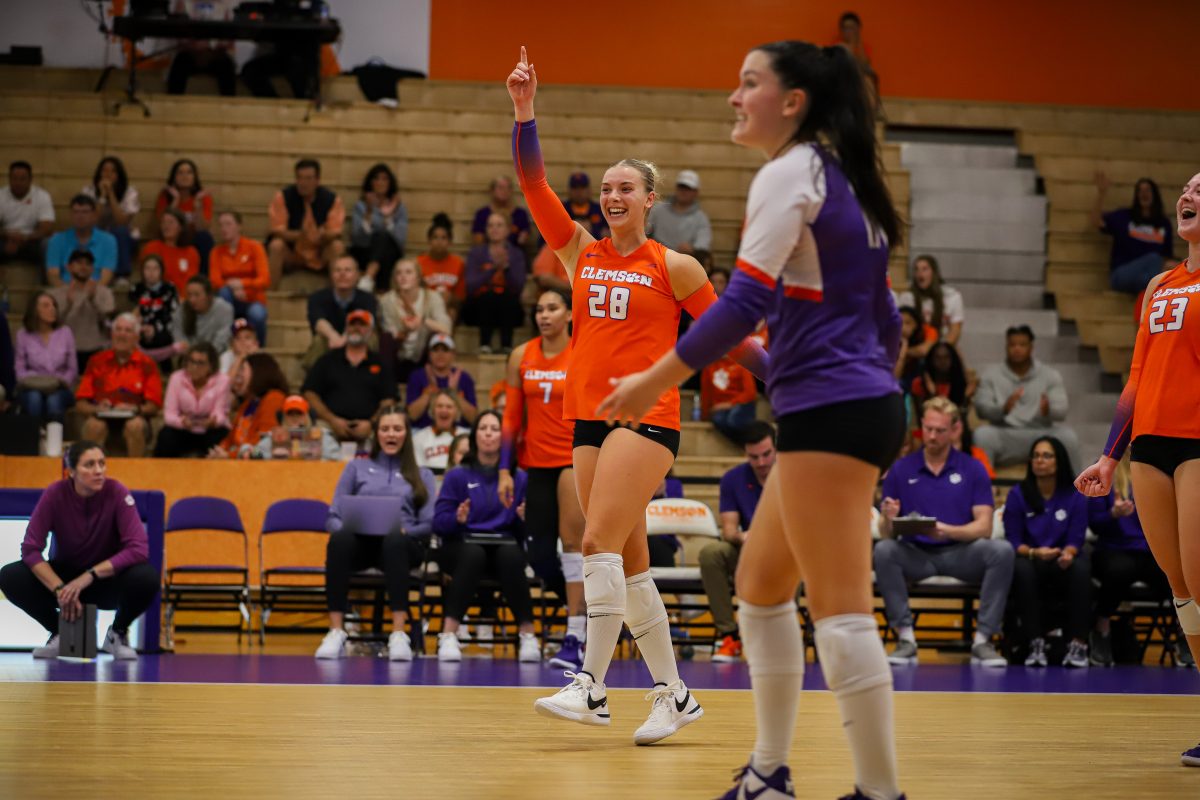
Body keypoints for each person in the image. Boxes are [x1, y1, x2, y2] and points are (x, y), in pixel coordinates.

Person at [594, 40, 905, 795]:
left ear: (791, 101)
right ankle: (769, 771)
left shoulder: (790, 174)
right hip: (845, 403)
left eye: (749, 83)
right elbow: (888, 315)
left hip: (832, 409)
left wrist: (655, 378)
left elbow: (742, 303)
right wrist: (874, 384)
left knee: (841, 613)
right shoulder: (847, 178)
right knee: (761, 590)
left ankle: (880, 790)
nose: (734, 96)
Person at [507, 48, 766, 748]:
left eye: (628, 188)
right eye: (608, 189)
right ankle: (672, 693)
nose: (614, 196)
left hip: (647, 420)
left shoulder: (674, 265)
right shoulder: (580, 252)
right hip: (586, 420)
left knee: (592, 540)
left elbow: (730, 334)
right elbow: (533, 187)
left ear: (651, 200)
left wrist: (783, 376)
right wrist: (525, 113)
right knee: (627, 561)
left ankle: (591, 686)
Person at [1076, 170, 1200, 767]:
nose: (1189, 195)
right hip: (1148, 449)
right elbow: (1137, 377)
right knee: (1181, 591)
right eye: (1189, 187)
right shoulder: (1156, 285)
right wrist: (1108, 454)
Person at [875, 399, 1010, 668]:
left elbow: (984, 526)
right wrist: (889, 519)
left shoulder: (973, 468)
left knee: (1001, 551)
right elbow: (886, 534)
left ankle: (983, 640)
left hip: (961, 552)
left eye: (940, 430)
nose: (933, 436)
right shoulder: (901, 468)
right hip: (916, 553)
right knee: (883, 551)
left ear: (954, 430)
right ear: (921, 428)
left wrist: (946, 531)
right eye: (928, 429)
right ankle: (905, 638)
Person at [0, 441, 159, 659]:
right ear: (71, 471)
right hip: (64, 579)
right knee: (10, 575)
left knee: (146, 576)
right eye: (89, 465)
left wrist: (89, 576)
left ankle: (117, 633)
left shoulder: (117, 491)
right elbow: (30, 549)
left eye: (102, 463)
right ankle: (59, 632)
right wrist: (60, 589)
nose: (99, 470)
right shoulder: (55, 494)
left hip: (103, 580)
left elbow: (138, 549)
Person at [498, 286, 587, 671]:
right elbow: (510, 419)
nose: (544, 315)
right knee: (537, 553)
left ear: (569, 314)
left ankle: (576, 635)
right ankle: (591, 611)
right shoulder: (522, 355)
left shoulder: (582, 350)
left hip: (572, 459)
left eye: (553, 308)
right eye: (539, 309)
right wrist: (504, 467)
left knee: (572, 544)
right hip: (535, 463)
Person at [316, 406, 438, 661]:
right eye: (385, 429)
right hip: (362, 546)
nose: (390, 434)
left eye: (397, 428)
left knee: (395, 540)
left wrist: (408, 530)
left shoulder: (422, 474)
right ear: (376, 434)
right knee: (338, 541)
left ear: (406, 434)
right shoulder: (356, 469)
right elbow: (332, 517)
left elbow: (429, 523)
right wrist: (347, 528)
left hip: (402, 548)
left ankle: (398, 634)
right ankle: (336, 630)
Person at [432, 410, 539, 663]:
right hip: (461, 545)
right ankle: (449, 633)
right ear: (474, 435)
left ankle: (528, 635)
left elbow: (527, 533)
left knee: (512, 554)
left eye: (494, 429)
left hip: (503, 547)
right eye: (483, 428)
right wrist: (457, 519)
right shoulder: (458, 474)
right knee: (473, 553)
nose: (489, 434)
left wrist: (525, 519)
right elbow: (438, 523)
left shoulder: (519, 477)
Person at [1086, 454, 1192, 668]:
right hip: (1114, 549)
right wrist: (1113, 514)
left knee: (1176, 573)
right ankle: (1101, 628)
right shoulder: (1105, 475)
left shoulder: (1159, 474)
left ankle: (1186, 632)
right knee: (1119, 570)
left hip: (1150, 550)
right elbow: (1094, 524)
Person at [1003, 436, 1091, 668]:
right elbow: (1012, 539)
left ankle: (1078, 644)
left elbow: (1077, 536)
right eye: (1036, 455)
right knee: (1021, 570)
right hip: (1031, 556)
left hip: (1063, 557)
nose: (1039, 460)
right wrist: (1034, 552)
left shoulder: (1074, 493)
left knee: (1082, 569)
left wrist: (1069, 553)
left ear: (1059, 461)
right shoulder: (1018, 494)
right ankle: (1035, 642)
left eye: (1046, 455)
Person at [699, 421, 776, 663]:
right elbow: (729, 529)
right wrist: (744, 536)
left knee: (790, 558)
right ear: (745, 453)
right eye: (754, 457)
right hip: (747, 549)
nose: (761, 463)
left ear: (776, 449)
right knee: (711, 553)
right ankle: (730, 635)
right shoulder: (733, 478)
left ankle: (775, 638)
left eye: (766, 455)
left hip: (783, 550)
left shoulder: (792, 475)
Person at [974, 324, 1079, 469]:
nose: (1017, 349)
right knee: (982, 435)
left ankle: (1075, 490)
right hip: (1005, 433)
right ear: (1006, 347)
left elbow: (1061, 411)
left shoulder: (1050, 375)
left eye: (1022, 345)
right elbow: (981, 409)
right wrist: (1002, 409)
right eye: (1012, 345)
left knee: (1068, 437)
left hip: (1041, 432)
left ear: (1031, 347)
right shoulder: (991, 375)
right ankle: (983, 488)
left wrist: (1048, 410)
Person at [302, 310, 397, 444]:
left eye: (362, 325)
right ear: (346, 328)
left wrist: (371, 423)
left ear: (371, 332)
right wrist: (332, 420)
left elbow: (389, 400)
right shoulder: (327, 360)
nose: (356, 328)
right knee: (316, 434)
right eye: (352, 324)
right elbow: (310, 393)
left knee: (388, 433)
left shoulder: (380, 364)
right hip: (329, 426)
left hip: (370, 428)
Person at [76, 314, 163, 458]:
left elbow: (154, 406)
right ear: (112, 334)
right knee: (94, 426)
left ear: (136, 337)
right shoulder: (97, 361)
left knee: (134, 426)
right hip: (101, 416)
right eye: (118, 329)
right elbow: (80, 403)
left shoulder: (147, 364)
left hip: (135, 417)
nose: (121, 334)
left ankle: (134, 474)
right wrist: (96, 408)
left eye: (128, 331)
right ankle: (91, 474)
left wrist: (134, 408)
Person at [1093, 172, 1176, 295]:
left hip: (1145, 279)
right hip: (1121, 275)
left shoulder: (1163, 224)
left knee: (1150, 278)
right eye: (1140, 191)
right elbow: (1097, 222)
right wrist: (1101, 193)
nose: (1144, 194)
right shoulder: (1125, 217)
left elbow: (1167, 256)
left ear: (1154, 195)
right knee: (1153, 259)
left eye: (1147, 190)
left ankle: (1149, 299)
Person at [267, 159, 346, 286]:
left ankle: (336, 297)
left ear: (317, 180)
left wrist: (322, 235)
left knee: (337, 247)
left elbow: (336, 232)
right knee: (276, 245)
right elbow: (276, 230)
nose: (303, 183)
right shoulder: (283, 196)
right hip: (293, 252)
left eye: (308, 178)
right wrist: (300, 235)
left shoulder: (331, 199)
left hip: (319, 252)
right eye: (300, 178)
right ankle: (270, 296)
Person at [463, 212, 527, 353]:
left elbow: (518, 287)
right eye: (490, 225)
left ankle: (506, 346)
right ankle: (484, 345)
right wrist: (492, 270)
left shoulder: (516, 254)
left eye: (499, 225)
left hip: (508, 307)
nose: (494, 229)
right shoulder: (476, 253)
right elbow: (470, 286)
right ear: (486, 229)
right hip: (479, 308)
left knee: (507, 298)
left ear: (508, 229)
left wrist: (506, 269)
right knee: (489, 297)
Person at [379, 259, 451, 382]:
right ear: (395, 278)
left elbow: (446, 329)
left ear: (418, 277)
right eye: (399, 273)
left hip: (423, 358)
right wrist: (406, 331)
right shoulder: (387, 300)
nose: (403, 277)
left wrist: (422, 321)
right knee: (386, 339)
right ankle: (387, 389)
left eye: (408, 272)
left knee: (436, 336)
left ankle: (434, 387)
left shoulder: (433, 297)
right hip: (398, 358)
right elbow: (390, 332)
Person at [154, 342, 230, 458]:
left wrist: (213, 421)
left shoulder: (223, 380)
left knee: (220, 436)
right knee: (166, 436)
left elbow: (220, 413)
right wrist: (181, 422)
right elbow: (169, 415)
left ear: (211, 366)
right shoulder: (176, 378)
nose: (194, 367)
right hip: (184, 428)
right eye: (191, 361)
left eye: (200, 363)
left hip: (209, 429)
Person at [48, 250, 115, 376]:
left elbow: (108, 323)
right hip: (64, 351)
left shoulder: (105, 293)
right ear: (69, 267)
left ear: (92, 268)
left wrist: (93, 301)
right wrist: (68, 304)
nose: (83, 267)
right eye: (79, 262)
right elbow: (52, 325)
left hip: (96, 350)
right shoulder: (55, 295)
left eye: (88, 263)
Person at [209, 210, 270, 346]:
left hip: (252, 298)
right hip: (229, 298)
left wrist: (242, 284)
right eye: (221, 225)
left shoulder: (254, 247)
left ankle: (257, 348)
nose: (224, 228)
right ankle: (226, 345)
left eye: (228, 224)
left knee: (257, 314)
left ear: (239, 226)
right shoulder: (216, 252)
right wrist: (233, 287)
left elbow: (264, 279)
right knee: (224, 293)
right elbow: (215, 281)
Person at [305, 255, 378, 367]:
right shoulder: (317, 298)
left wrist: (345, 339)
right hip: (329, 341)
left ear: (357, 275)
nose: (342, 274)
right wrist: (333, 337)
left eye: (347, 270)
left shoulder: (368, 299)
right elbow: (318, 321)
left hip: (356, 337)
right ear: (331, 275)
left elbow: (366, 322)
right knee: (319, 341)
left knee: (371, 339)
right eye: (337, 270)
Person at [15, 291, 76, 423]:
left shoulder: (65, 332)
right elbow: (19, 369)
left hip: (60, 387)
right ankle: (33, 438)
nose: (52, 309)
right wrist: (37, 380)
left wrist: (59, 381)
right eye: (46, 305)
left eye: (54, 305)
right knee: (34, 398)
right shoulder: (23, 335)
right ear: (34, 310)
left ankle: (54, 439)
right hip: (31, 386)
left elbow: (72, 369)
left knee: (54, 399)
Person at [211, 352, 288, 459]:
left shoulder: (274, 398)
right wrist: (219, 451)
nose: (238, 374)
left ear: (258, 372)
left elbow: (263, 443)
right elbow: (230, 439)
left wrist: (229, 455)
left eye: (242, 369)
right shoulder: (249, 402)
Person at [350, 163, 408, 293]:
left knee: (383, 240)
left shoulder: (399, 208)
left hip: (390, 253)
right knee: (379, 241)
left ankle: (368, 278)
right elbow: (357, 238)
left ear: (390, 182)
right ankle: (377, 287)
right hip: (365, 250)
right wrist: (369, 213)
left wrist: (389, 217)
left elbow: (400, 239)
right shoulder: (361, 206)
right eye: (376, 178)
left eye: (384, 179)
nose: (380, 182)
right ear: (371, 183)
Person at [699, 329, 763, 442]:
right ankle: (749, 445)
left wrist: (729, 404)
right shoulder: (709, 367)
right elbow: (706, 394)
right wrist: (704, 415)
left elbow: (750, 393)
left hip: (741, 405)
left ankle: (753, 444)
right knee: (718, 419)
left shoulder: (742, 363)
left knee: (734, 419)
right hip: (720, 410)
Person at [82, 156, 140, 277]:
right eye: (104, 170)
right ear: (99, 173)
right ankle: (94, 274)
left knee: (120, 231)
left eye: (113, 171)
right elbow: (90, 222)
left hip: (123, 237)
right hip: (97, 234)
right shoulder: (88, 191)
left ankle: (122, 275)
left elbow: (121, 222)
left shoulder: (130, 192)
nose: (108, 174)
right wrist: (102, 196)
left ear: (119, 175)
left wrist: (111, 193)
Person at [405, 334, 478, 428]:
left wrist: (454, 393)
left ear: (453, 354)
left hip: (459, 433)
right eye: (435, 350)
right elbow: (412, 416)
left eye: (445, 350)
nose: (440, 354)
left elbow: (473, 418)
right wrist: (429, 392)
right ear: (429, 353)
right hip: (422, 432)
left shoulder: (464, 378)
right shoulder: (417, 377)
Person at [165, 1, 237, 96]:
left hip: (216, 54)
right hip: (190, 53)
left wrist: (210, 45)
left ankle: (230, 108)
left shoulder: (226, 6)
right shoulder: (184, 4)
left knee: (227, 67)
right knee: (180, 64)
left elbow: (230, 41)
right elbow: (179, 35)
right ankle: (173, 106)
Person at [45, 195, 117, 288]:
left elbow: (106, 276)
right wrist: (68, 293)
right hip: (65, 291)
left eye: (85, 212)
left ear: (94, 215)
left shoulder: (108, 241)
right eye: (76, 212)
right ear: (70, 215)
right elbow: (53, 275)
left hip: (96, 291)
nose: (80, 216)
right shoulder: (56, 240)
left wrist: (89, 294)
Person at [154, 158, 214, 269]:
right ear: (174, 177)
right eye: (180, 172)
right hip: (172, 238)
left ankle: (203, 280)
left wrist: (197, 207)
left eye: (189, 172)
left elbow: (203, 228)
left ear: (194, 177)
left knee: (205, 237)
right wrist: (175, 201)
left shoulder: (203, 197)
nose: (185, 176)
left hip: (193, 238)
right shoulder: (165, 196)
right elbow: (162, 226)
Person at [647, 169, 713, 267]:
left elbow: (703, 248)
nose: (684, 191)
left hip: (683, 265)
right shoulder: (657, 210)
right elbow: (644, 233)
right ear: (676, 188)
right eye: (681, 187)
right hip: (655, 260)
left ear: (696, 192)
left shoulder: (701, 218)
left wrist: (692, 250)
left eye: (688, 188)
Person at [896, 255, 963, 348]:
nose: (920, 273)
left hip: (941, 347)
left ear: (934, 273)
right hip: (915, 346)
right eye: (916, 269)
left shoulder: (952, 296)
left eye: (925, 269)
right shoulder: (907, 297)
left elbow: (955, 331)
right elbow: (902, 329)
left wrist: (939, 350)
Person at [0, 160, 55, 268]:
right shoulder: (1, 195)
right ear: (9, 179)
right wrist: (8, 236)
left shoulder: (42, 196)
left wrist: (24, 238)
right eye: (14, 178)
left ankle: (48, 283)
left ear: (30, 180)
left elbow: (47, 228)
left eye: (22, 179)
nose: (18, 182)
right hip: (5, 239)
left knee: (48, 244)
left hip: (31, 240)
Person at [254, 394, 341, 461]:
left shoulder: (323, 438)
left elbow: (338, 459)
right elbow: (255, 453)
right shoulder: (273, 438)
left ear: (309, 417)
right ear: (282, 418)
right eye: (290, 414)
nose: (295, 419)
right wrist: (246, 450)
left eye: (299, 414)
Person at [130, 254, 180, 370]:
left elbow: (173, 314)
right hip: (141, 329)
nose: (151, 272)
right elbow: (134, 313)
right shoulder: (136, 289)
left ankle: (167, 374)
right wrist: (142, 327)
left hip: (164, 328)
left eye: (155, 268)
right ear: (142, 271)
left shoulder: (170, 288)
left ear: (161, 271)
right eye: (147, 268)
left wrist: (155, 329)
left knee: (163, 337)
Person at [417, 213, 466, 321]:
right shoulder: (418, 263)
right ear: (429, 240)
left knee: (451, 312)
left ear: (450, 242)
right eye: (435, 237)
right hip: (426, 307)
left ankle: (445, 338)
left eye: (444, 238)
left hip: (450, 308)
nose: (439, 242)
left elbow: (461, 297)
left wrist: (451, 298)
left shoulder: (458, 263)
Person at [141, 209, 200, 295]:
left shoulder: (191, 252)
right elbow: (148, 278)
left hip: (185, 301)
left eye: (171, 222)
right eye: (164, 222)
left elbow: (192, 281)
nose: (166, 226)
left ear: (180, 227)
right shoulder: (151, 248)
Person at [171, 276, 234, 355]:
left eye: (197, 295)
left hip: (216, 356)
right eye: (189, 295)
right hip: (190, 357)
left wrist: (205, 355)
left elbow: (223, 339)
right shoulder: (181, 311)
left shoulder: (224, 309)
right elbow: (179, 339)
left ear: (209, 295)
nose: (192, 299)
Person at [411, 389, 469, 469]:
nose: (444, 410)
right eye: (439, 406)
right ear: (432, 410)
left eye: (449, 407)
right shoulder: (418, 438)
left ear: (457, 412)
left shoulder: (468, 437)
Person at [910, 340, 975, 409]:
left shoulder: (961, 383)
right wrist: (932, 394)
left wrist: (966, 397)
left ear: (953, 359)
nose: (942, 361)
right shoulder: (919, 384)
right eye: (938, 358)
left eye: (946, 357)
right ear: (931, 360)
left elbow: (961, 416)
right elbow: (922, 416)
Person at [471, 176, 531, 249]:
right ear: (492, 191)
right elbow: (478, 242)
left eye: (508, 188)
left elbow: (523, 241)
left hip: (515, 255)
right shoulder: (482, 214)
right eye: (500, 187)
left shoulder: (521, 214)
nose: (505, 191)